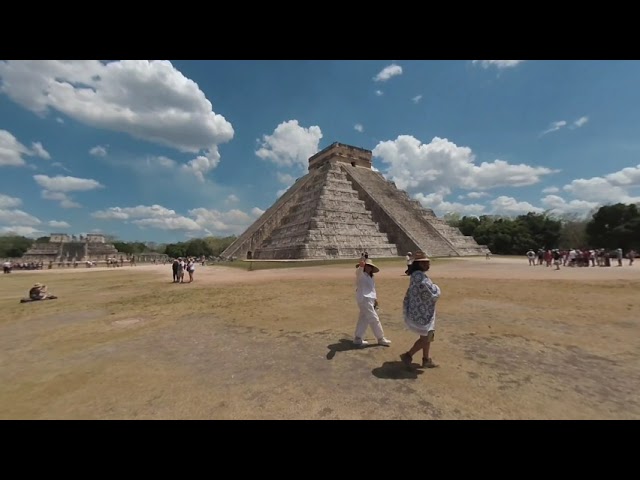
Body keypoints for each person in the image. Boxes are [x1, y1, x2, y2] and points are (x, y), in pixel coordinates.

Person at [400, 251, 440, 369]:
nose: (429, 265)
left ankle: (426, 359)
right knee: (426, 337)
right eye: (426, 263)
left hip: (425, 311)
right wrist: (437, 288)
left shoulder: (417, 275)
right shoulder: (419, 277)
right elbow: (431, 293)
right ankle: (408, 355)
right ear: (421, 264)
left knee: (429, 335)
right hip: (422, 313)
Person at [353, 257, 391, 347]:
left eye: (370, 266)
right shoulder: (360, 274)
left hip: (369, 299)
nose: (368, 268)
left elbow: (372, 290)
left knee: (364, 319)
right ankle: (380, 338)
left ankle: (358, 338)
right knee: (374, 318)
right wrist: (361, 266)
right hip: (364, 299)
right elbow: (358, 272)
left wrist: (375, 300)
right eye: (367, 266)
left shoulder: (371, 277)